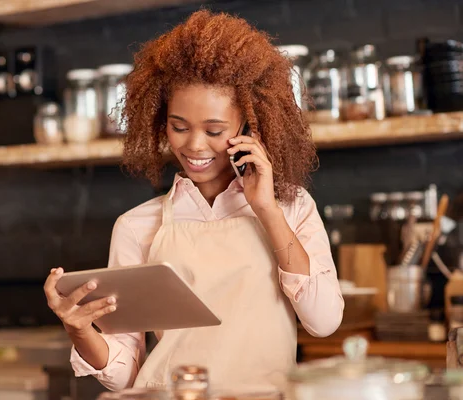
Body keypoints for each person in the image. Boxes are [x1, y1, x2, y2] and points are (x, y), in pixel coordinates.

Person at [44, 9, 344, 393]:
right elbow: (125, 376)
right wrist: (79, 328)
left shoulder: (291, 207)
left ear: (249, 127)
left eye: (214, 130)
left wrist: (267, 209)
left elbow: (324, 320)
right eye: (178, 126)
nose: (194, 145)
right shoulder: (137, 226)